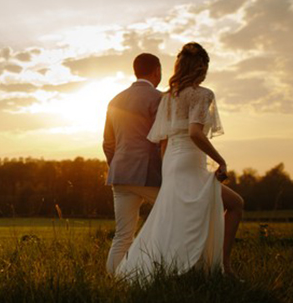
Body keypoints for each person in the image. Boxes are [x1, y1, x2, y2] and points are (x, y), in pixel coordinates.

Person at [115, 42, 245, 281]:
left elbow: (162, 141)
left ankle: (186, 268)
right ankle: (224, 268)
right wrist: (221, 160)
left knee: (179, 215)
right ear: (201, 67)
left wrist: (167, 170)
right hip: (189, 161)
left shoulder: (168, 97)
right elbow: (196, 133)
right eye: (205, 66)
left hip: (172, 163)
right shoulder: (202, 94)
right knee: (235, 204)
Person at [103, 53, 164, 275]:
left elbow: (108, 143)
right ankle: (163, 271)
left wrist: (119, 164)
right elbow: (161, 140)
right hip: (148, 174)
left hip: (119, 175)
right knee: (174, 216)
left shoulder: (114, 100)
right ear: (157, 71)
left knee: (122, 235)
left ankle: (113, 282)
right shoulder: (159, 98)